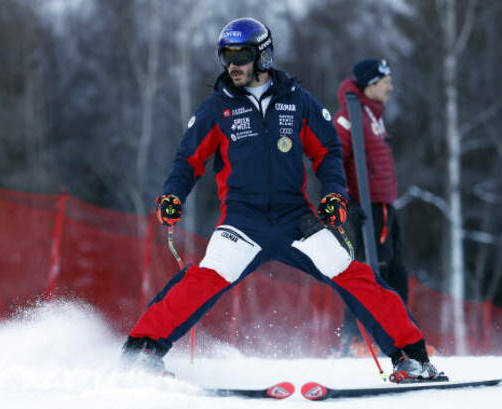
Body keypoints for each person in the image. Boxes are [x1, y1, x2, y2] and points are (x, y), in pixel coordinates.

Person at [120, 18, 442, 381]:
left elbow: (328, 152)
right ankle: (142, 351)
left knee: (354, 275)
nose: (233, 65)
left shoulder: (297, 101)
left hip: (296, 220)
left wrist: (335, 194)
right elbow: (188, 160)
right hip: (243, 221)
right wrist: (172, 195)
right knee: (204, 279)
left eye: (241, 55)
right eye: (226, 56)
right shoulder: (217, 108)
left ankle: (410, 357)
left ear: (263, 55)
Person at [333, 59, 410, 357]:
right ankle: (354, 340)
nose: (391, 87)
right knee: (369, 271)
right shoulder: (349, 116)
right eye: (385, 80)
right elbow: (331, 160)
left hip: (385, 205)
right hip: (364, 208)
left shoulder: (373, 115)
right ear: (370, 84)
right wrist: (343, 201)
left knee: (396, 272)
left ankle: (400, 337)